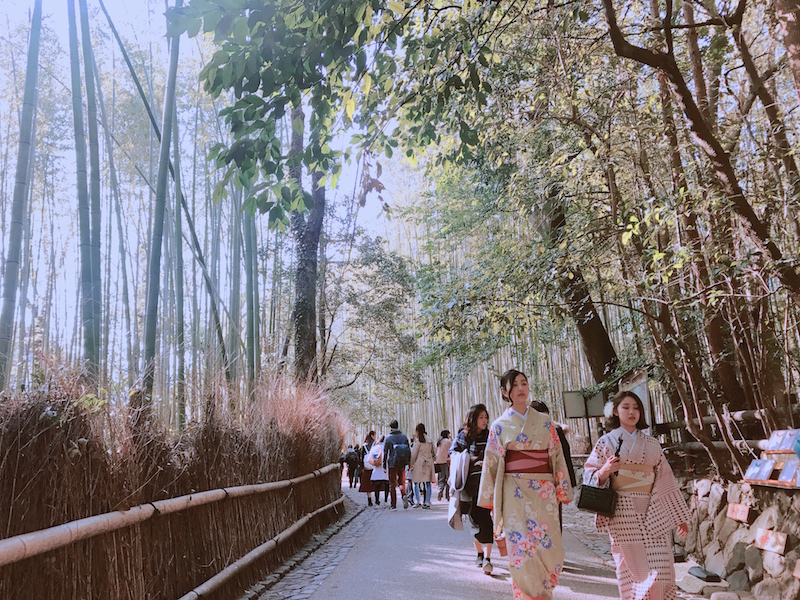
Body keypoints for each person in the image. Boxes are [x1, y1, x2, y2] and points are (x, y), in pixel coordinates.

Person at [583, 390, 690, 600]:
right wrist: (604, 471)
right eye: (626, 407)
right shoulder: (606, 442)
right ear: (615, 411)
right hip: (622, 512)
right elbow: (589, 475)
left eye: (636, 408)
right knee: (631, 568)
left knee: (662, 568)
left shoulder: (652, 444)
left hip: (653, 510)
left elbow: (665, 479)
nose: (632, 412)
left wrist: (679, 516)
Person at [478, 370, 573, 599]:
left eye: (524, 383)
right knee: (521, 548)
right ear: (505, 392)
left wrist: (562, 487)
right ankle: (527, 596)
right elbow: (491, 464)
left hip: (544, 490)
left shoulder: (545, 422)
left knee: (549, 547)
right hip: (514, 491)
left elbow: (557, 456)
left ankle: (544, 593)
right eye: (515, 385)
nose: (521, 388)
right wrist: (490, 499)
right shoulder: (499, 426)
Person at [452, 403, 495, 575]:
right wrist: (471, 459)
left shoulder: (490, 435)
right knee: (474, 518)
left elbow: (497, 454)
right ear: (473, 419)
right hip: (468, 484)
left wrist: (487, 462)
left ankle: (488, 558)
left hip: (486, 483)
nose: (484, 420)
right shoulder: (463, 436)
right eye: (481, 417)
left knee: (485, 518)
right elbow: (453, 454)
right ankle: (479, 554)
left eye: (486, 417)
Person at [530, 400, 576, 530]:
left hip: (551, 478)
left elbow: (564, 457)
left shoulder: (554, 431)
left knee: (552, 515)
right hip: (538, 479)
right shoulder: (531, 432)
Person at [383, 419, 411, 509]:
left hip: (392, 463)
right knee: (401, 482)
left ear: (390, 427)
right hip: (402, 462)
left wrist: (384, 465)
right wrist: (409, 463)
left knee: (392, 484)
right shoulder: (404, 436)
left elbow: (385, 452)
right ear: (397, 426)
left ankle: (393, 504)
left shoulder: (388, 438)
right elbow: (408, 451)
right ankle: (404, 494)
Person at [410, 423, 436, 508]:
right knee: (427, 482)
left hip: (419, 462)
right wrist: (433, 459)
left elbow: (414, 453)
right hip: (428, 461)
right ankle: (427, 501)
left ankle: (417, 500)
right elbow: (434, 451)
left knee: (416, 481)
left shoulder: (418, 441)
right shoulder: (430, 440)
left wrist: (411, 463)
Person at [368, 435, 389, 505]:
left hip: (376, 469)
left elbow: (369, 459)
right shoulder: (387, 447)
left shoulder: (374, 448)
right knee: (386, 485)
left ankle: (377, 501)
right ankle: (386, 501)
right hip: (385, 469)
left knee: (377, 486)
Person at [359, 431, 377, 506]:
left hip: (366, 466)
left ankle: (369, 500)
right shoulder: (375, 444)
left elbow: (361, 457)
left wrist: (362, 467)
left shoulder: (364, 445)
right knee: (376, 483)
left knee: (367, 484)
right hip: (374, 466)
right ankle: (377, 499)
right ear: (372, 436)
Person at [436, 429, 452, 501]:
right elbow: (452, 449)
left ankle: (440, 489)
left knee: (441, 478)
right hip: (446, 461)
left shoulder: (438, 442)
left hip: (439, 461)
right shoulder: (448, 441)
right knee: (448, 478)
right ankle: (448, 495)